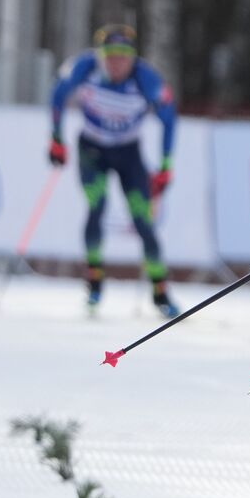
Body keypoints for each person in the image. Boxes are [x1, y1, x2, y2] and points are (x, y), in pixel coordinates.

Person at [48, 23, 180, 317]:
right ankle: (94, 279)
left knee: (143, 220)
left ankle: (160, 291)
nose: (117, 62)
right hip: (92, 150)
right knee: (97, 206)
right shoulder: (84, 67)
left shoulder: (146, 78)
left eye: (124, 55)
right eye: (110, 55)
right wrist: (55, 139)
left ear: (133, 57)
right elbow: (57, 96)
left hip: (128, 153)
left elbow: (170, 119)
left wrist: (166, 166)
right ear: (100, 55)